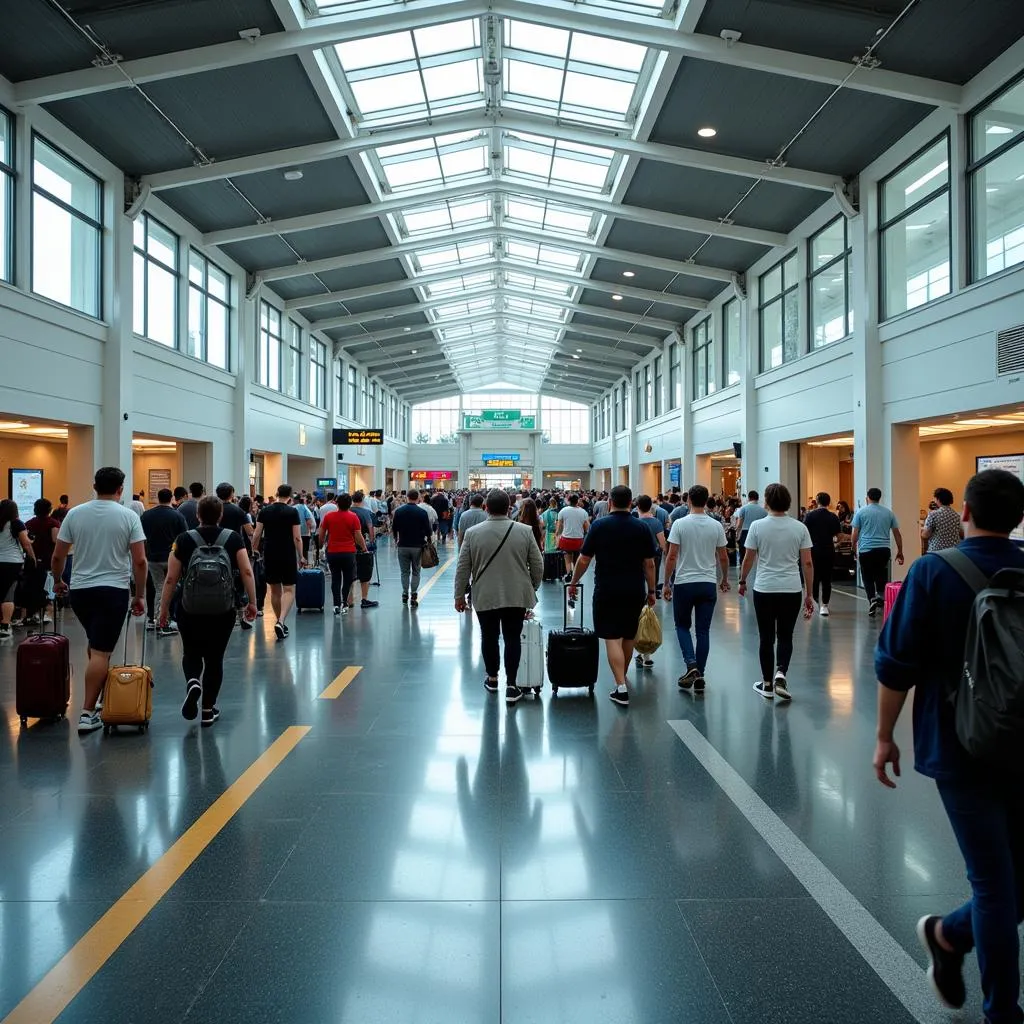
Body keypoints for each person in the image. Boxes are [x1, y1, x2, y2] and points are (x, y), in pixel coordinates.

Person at [873, 469, 1024, 1024]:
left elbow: (896, 664)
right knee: (1001, 885)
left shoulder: (933, 572)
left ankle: (949, 937)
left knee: (997, 886)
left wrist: (885, 736)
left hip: (959, 741)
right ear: (1020, 517)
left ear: (965, 512)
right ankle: (1001, 1009)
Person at [51, 467, 148, 733]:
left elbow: (59, 556)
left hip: (81, 590)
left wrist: (58, 580)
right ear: (121, 488)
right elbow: (139, 560)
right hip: (112, 590)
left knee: (96, 645)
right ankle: (87, 712)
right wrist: (139, 595)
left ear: (94, 486)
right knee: (103, 650)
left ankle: (97, 697)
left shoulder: (75, 514)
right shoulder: (128, 516)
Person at [159, 495, 257, 727]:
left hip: (189, 607)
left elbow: (171, 578)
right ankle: (207, 709)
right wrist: (251, 602)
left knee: (191, 653)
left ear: (197, 515)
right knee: (215, 659)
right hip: (222, 609)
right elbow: (246, 571)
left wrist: (163, 608)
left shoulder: (183, 539)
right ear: (220, 515)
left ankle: (193, 681)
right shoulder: (232, 538)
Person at [568, 485, 657, 707]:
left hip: (607, 589)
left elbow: (585, 559)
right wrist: (652, 590)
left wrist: (574, 581)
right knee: (628, 635)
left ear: (609, 502)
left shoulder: (599, 525)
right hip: (634, 589)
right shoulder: (641, 527)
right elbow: (649, 563)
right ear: (631, 503)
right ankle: (622, 680)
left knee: (611, 637)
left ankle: (621, 686)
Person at [454, 489, 544, 706]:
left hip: (484, 594)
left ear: (486, 508)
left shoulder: (473, 533)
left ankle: (493, 678)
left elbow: (463, 567)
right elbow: (538, 564)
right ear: (509, 508)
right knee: (513, 638)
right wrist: (531, 587)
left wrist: (459, 595)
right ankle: (512, 686)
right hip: (516, 595)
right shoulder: (524, 531)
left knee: (489, 636)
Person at [738, 483, 814, 701]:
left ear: (767, 501)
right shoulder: (800, 527)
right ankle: (781, 672)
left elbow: (748, 558)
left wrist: (742, 580)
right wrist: (809, 594)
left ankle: (767, 683)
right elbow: (807, 563)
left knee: (766, 637)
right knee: (786, 635)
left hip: (764, 588)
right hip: (791, 589)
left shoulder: (757, 527)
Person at [663, 485, 730, 693]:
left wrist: (666, 583)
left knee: (682, 626)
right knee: (703, 631)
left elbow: (672, 555)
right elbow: (723, 556)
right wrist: (725, 579)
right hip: (707, 583)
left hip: (684, 583)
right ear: (707, 500)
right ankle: (700, 675)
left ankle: (691, 664)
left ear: (688, 500)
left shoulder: (680, 524)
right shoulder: (716, 525)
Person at [250, 484, 304, 641]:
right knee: (289, 589)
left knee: (274, 590)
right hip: (287, 553)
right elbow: (297, 537)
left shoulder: (265, 511)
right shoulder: (292, 512)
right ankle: (281, 621)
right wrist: (301, 555)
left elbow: (257, 533)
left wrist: (254, 550)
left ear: (276, 493)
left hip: (270, 552)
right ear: (290, 497)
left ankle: (280, 621)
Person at [140, 488, 187, 637]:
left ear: (157, 498)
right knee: (171, 587)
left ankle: (153, 619)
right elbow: (183, 538)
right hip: (172, 558)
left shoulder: (146, 516)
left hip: (152, 558)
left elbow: (141, 537)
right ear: (171, 497)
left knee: (158, 587)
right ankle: (163, 621)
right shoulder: (177, 515)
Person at [852, 488, 904, 617]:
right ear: (880, 498)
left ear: (867, 497)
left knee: (867, 576)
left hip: (866, 550)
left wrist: (853, 547)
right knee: (881, 575)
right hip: (883, 550)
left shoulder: (861, 512)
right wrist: (900, 551)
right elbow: (897, 533)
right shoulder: (888, 513)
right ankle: (880, 597)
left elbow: (855, 533)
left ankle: (872, 599)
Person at [635, 494, 666, 665]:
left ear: (638, 506)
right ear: (651, 507)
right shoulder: (655, 522)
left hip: (636, 566)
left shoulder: (634, 522)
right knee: (648, 603)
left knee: (638, 611)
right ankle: (646, 654)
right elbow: (663, 544)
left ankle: (641, 651)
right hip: (653, 561)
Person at [0, 499, 35, 641]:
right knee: (9, 593)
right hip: (12, 562)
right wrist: (32, 556)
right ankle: (5, 626)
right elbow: (26, 544)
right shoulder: (16, 523)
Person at [23, 498, 61, 626]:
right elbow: (55, 540)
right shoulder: (53, 523)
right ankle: (48, 613)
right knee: (48, 586)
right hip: (48, 559)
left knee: (34, 586)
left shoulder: (28, 523)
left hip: (32, 560)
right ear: (49, 510)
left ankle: (33, 613)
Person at [803, 492, 842, 617]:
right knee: (827, 579)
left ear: (817, 501)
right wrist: (836, 544)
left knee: (814, 577)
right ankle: (825, 606)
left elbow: (804, 533)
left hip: (813, 550)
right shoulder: (833, 517)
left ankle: (814, 603)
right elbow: (839, 536)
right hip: (828, 550)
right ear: (829, 502)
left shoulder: (809, 516)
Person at [392, 489, 432, 606]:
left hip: (403, 545)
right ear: (418, 498)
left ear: (407, 497)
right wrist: (428, 540)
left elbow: (394, 528)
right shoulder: (422, 512)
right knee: (416, 571)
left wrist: (396, 539)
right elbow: (428, 530)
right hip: (417, 546)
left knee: (404, 572)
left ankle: (405, 593)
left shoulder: (399, 512)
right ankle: (414, 594)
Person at [349, 491, 379, 610]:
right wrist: (371, 542)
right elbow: (370, 527)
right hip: (362, 546)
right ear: (362, 500)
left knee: (349, 573)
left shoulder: (348, 511)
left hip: (348, 546)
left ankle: (349, 599)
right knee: (365, 573)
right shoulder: (365, 512)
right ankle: (364, 599)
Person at [555, 492, 589, 582]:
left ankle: (569, 572)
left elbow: (559, 527)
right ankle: (575, 576)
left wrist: (557, 535)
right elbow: (587, 528)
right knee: (577, 559)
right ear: (578, 501)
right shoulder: (583, 512)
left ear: (569, 501)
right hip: (578, 540)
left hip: (566, 539)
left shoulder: (563, 511)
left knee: (567, 559)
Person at [922, 486, 963, 553]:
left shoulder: (933, 514)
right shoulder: (957, 516)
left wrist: (922, 532)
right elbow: (961, 534)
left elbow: (925, 535)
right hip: (954, 552)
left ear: (938, 499)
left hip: (937, 552)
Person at [734, 490, 767, 564]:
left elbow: (739, 524)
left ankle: (743, 571)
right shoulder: (763, 511)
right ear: (757, 499)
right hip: (759, 534)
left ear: (748, 498)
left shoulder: (744, 508)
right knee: (758, 555)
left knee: (744, 555)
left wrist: (737, 535)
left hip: (745, 533)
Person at [294, 496, 316, 562]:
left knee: (296, 552)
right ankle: (303, 566)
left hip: (294, 534)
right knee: (304, 552)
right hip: (305, 534)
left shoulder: (292, 508)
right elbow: (309, 522)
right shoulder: (304, 508)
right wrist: (310, 530)